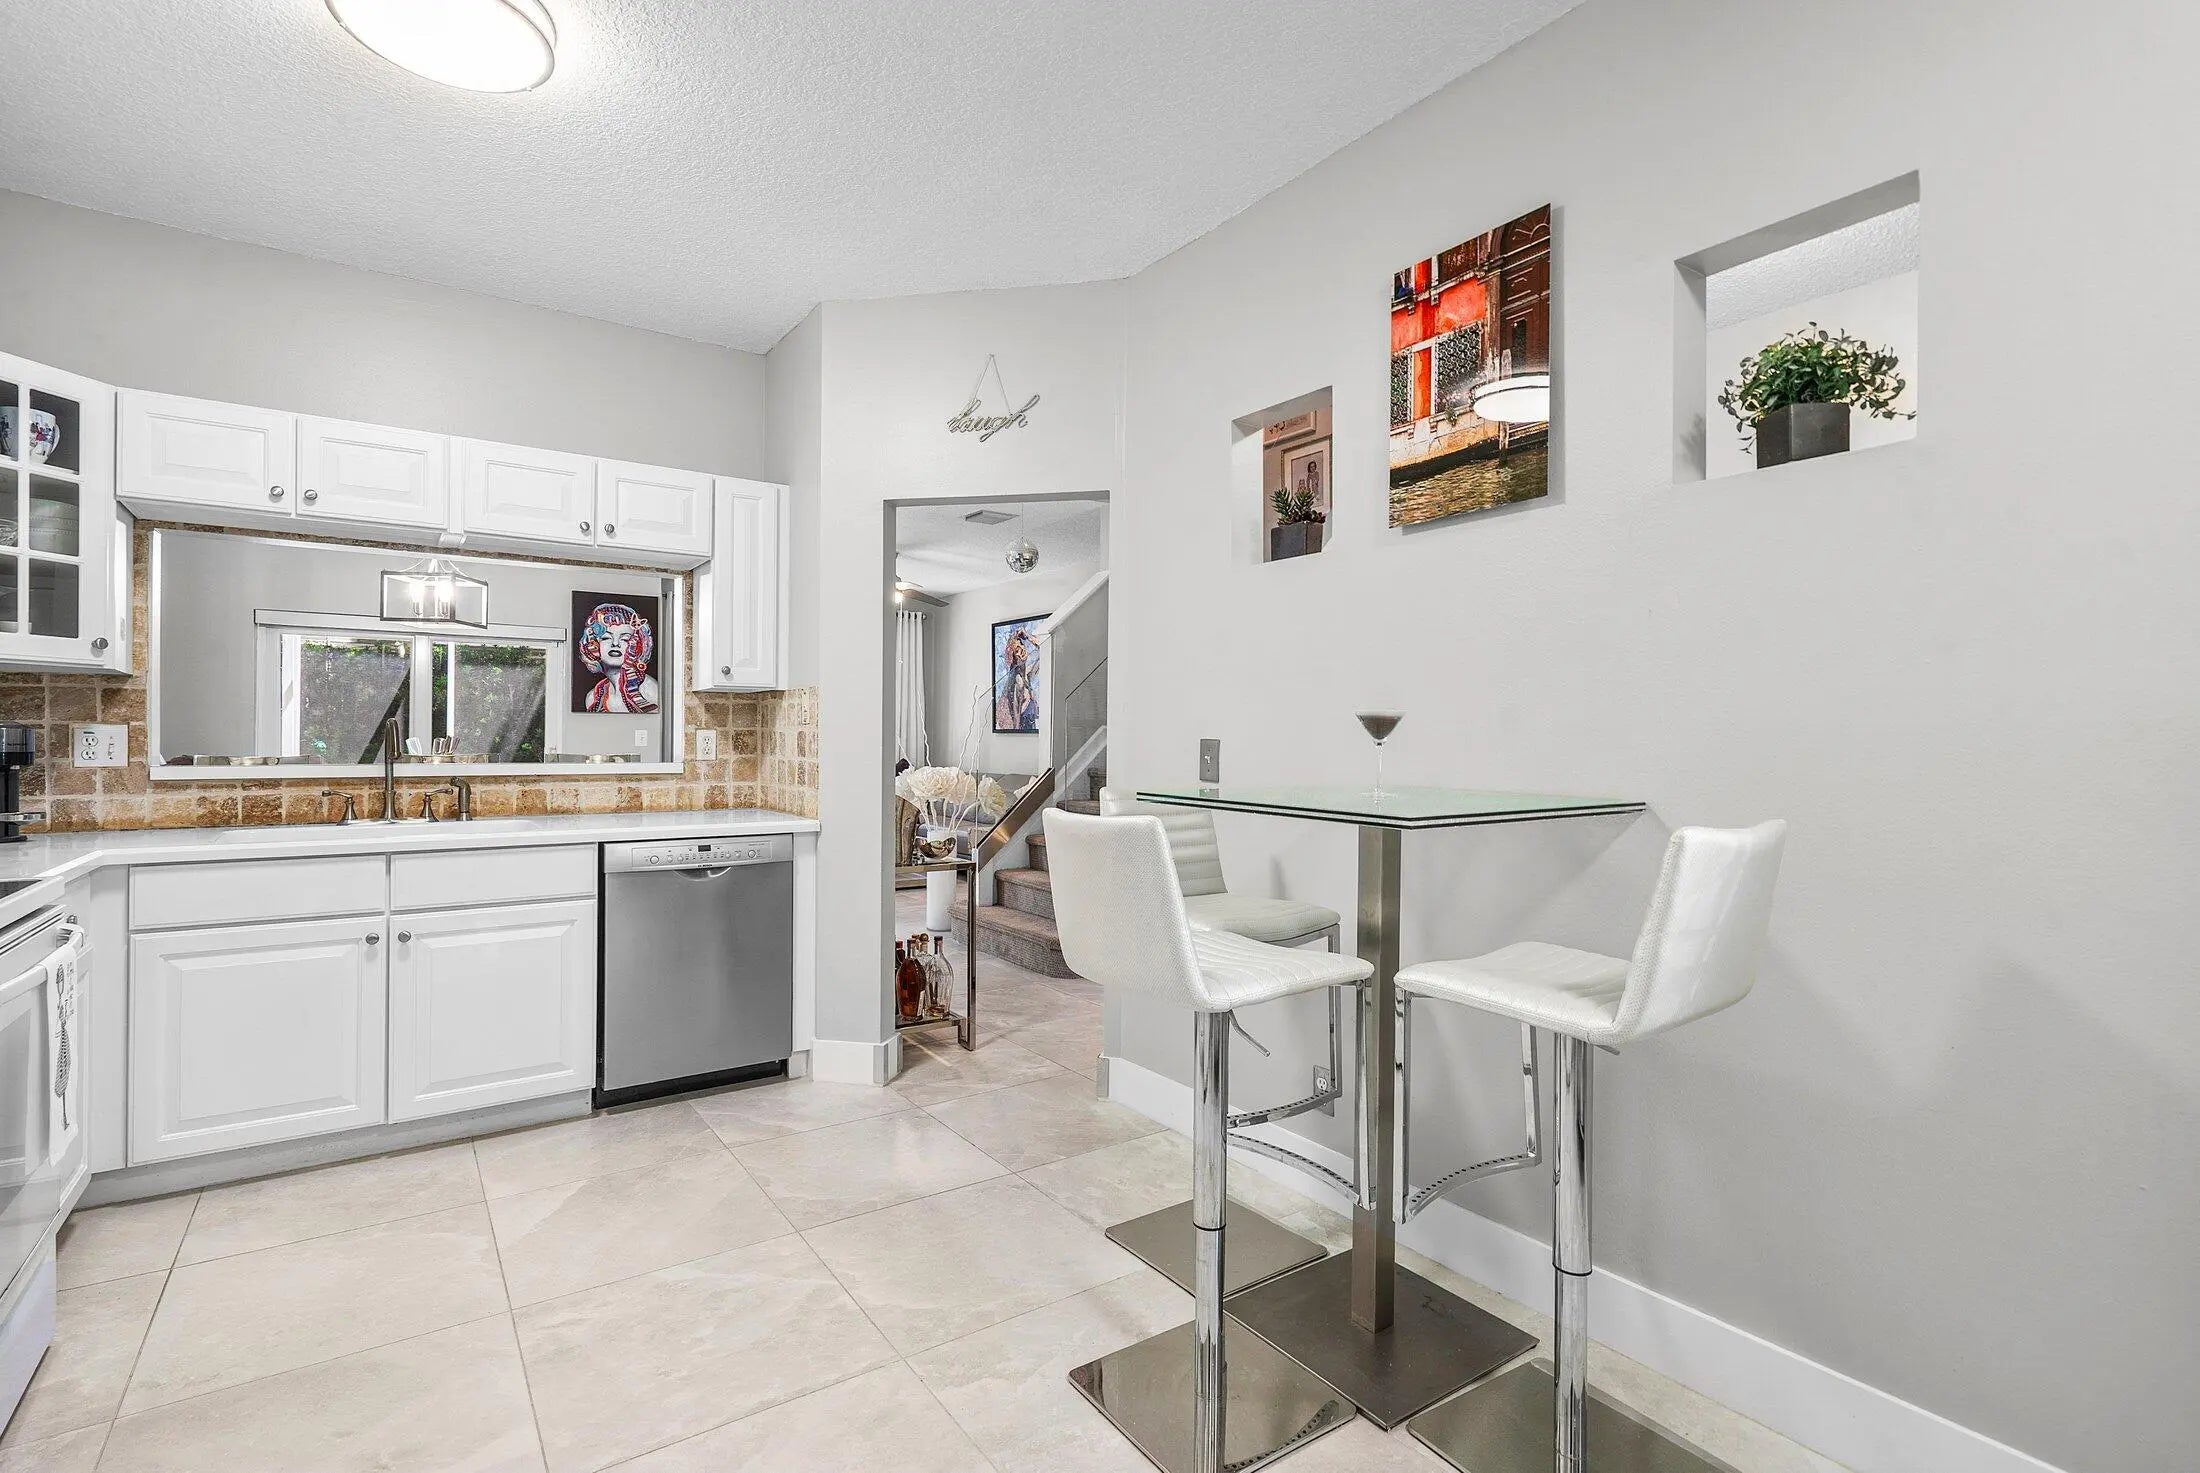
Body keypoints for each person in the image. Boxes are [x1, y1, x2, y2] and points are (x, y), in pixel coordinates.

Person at [578, 602, 659, 713]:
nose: (615, 643)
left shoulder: (650, 690)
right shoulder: (593, 698)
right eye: (606, 638)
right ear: (593, 645)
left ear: (638, 646)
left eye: (625, 639)